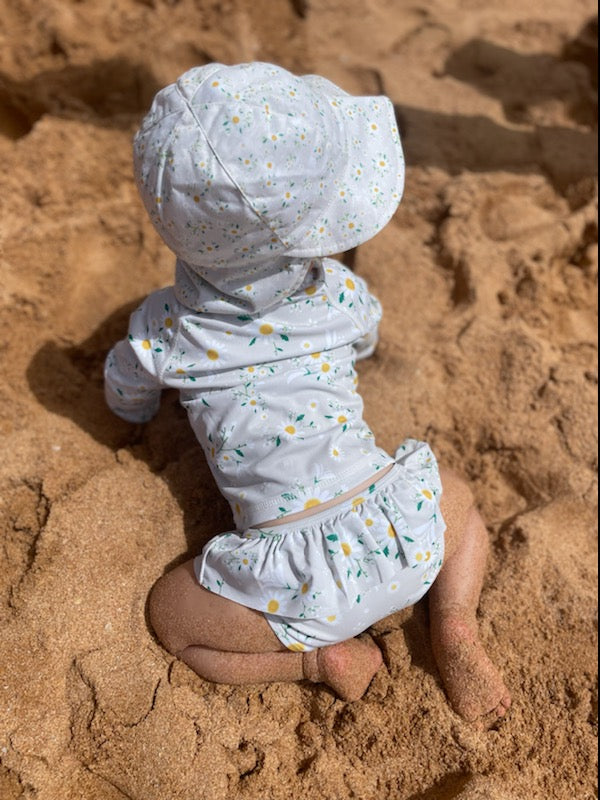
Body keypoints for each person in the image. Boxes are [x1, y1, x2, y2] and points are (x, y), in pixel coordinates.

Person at [104, 62, 510, 722]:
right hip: (396, 533)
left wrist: (133, 410)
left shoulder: (166, 332)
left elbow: (126, 385)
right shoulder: (339, 297)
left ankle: (319, 661)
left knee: (172, 618)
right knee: (459, 504)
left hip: (293, 590)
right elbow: (368, 337)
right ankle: (455, 621)